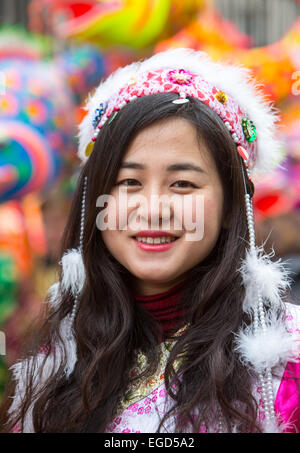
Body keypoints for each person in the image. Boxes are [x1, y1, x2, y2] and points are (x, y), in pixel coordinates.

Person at [0, 48, 299, 433]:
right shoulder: (60, 358)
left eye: (182, 184)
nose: (153, 209)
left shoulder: (283, 362)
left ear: (230, 206)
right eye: (129, 182)